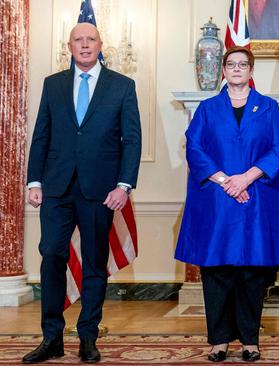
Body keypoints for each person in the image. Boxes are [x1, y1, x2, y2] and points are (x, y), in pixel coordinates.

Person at [23, 23, 141, 364]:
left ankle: (88, 337)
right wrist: (34, 181)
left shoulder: (122, 86)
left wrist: (124, 185)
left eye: (91, 40)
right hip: (56, 189)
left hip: (100, 191)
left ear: (101, 44)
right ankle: (51, 338)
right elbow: (41, 135)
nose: (85, 45)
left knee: (93, 264)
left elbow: (132, 140)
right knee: (52, 259)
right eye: (78, 40)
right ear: (69, 46)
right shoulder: (53, 84)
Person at [174, 46, 279, 363]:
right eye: (231, 64)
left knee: (252, 273)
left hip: (255, 199)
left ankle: (251, 340)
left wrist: (246, 179)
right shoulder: (207, 108)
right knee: (217, 272)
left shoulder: (267, 108)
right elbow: (195, 149)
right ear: (223, 70)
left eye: (243, 64)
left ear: (252, 71)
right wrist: (227, 181)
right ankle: (219, 341)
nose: (237, 68)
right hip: (217, 202)